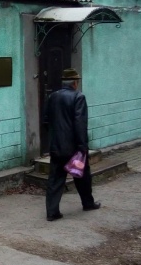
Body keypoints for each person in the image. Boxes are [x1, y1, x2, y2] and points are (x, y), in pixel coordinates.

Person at [43, 68, 101, 221]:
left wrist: (54, 138)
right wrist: (83, 147)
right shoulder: (78, 97)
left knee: (55, 180)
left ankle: (52, 212)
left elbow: (46, 121)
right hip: (74, 148)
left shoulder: (52, 97)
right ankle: (88, 203)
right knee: (82, 177)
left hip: (57, 147)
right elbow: (80, 123)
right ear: (75, 83)